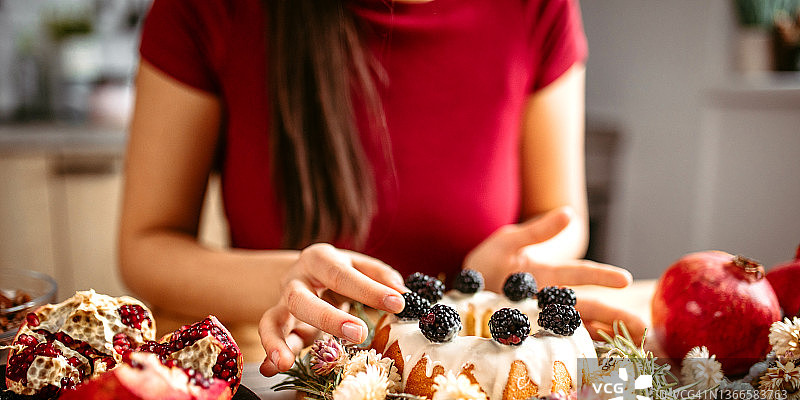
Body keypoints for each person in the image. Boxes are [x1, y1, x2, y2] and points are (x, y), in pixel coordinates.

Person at [120, 0, 644, 379]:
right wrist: (285, 279)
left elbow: (560, 215)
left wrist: (502, 280)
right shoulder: (206, 9)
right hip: (286, 371)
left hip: (484, 366)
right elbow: (146, 245)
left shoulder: (539, 7)